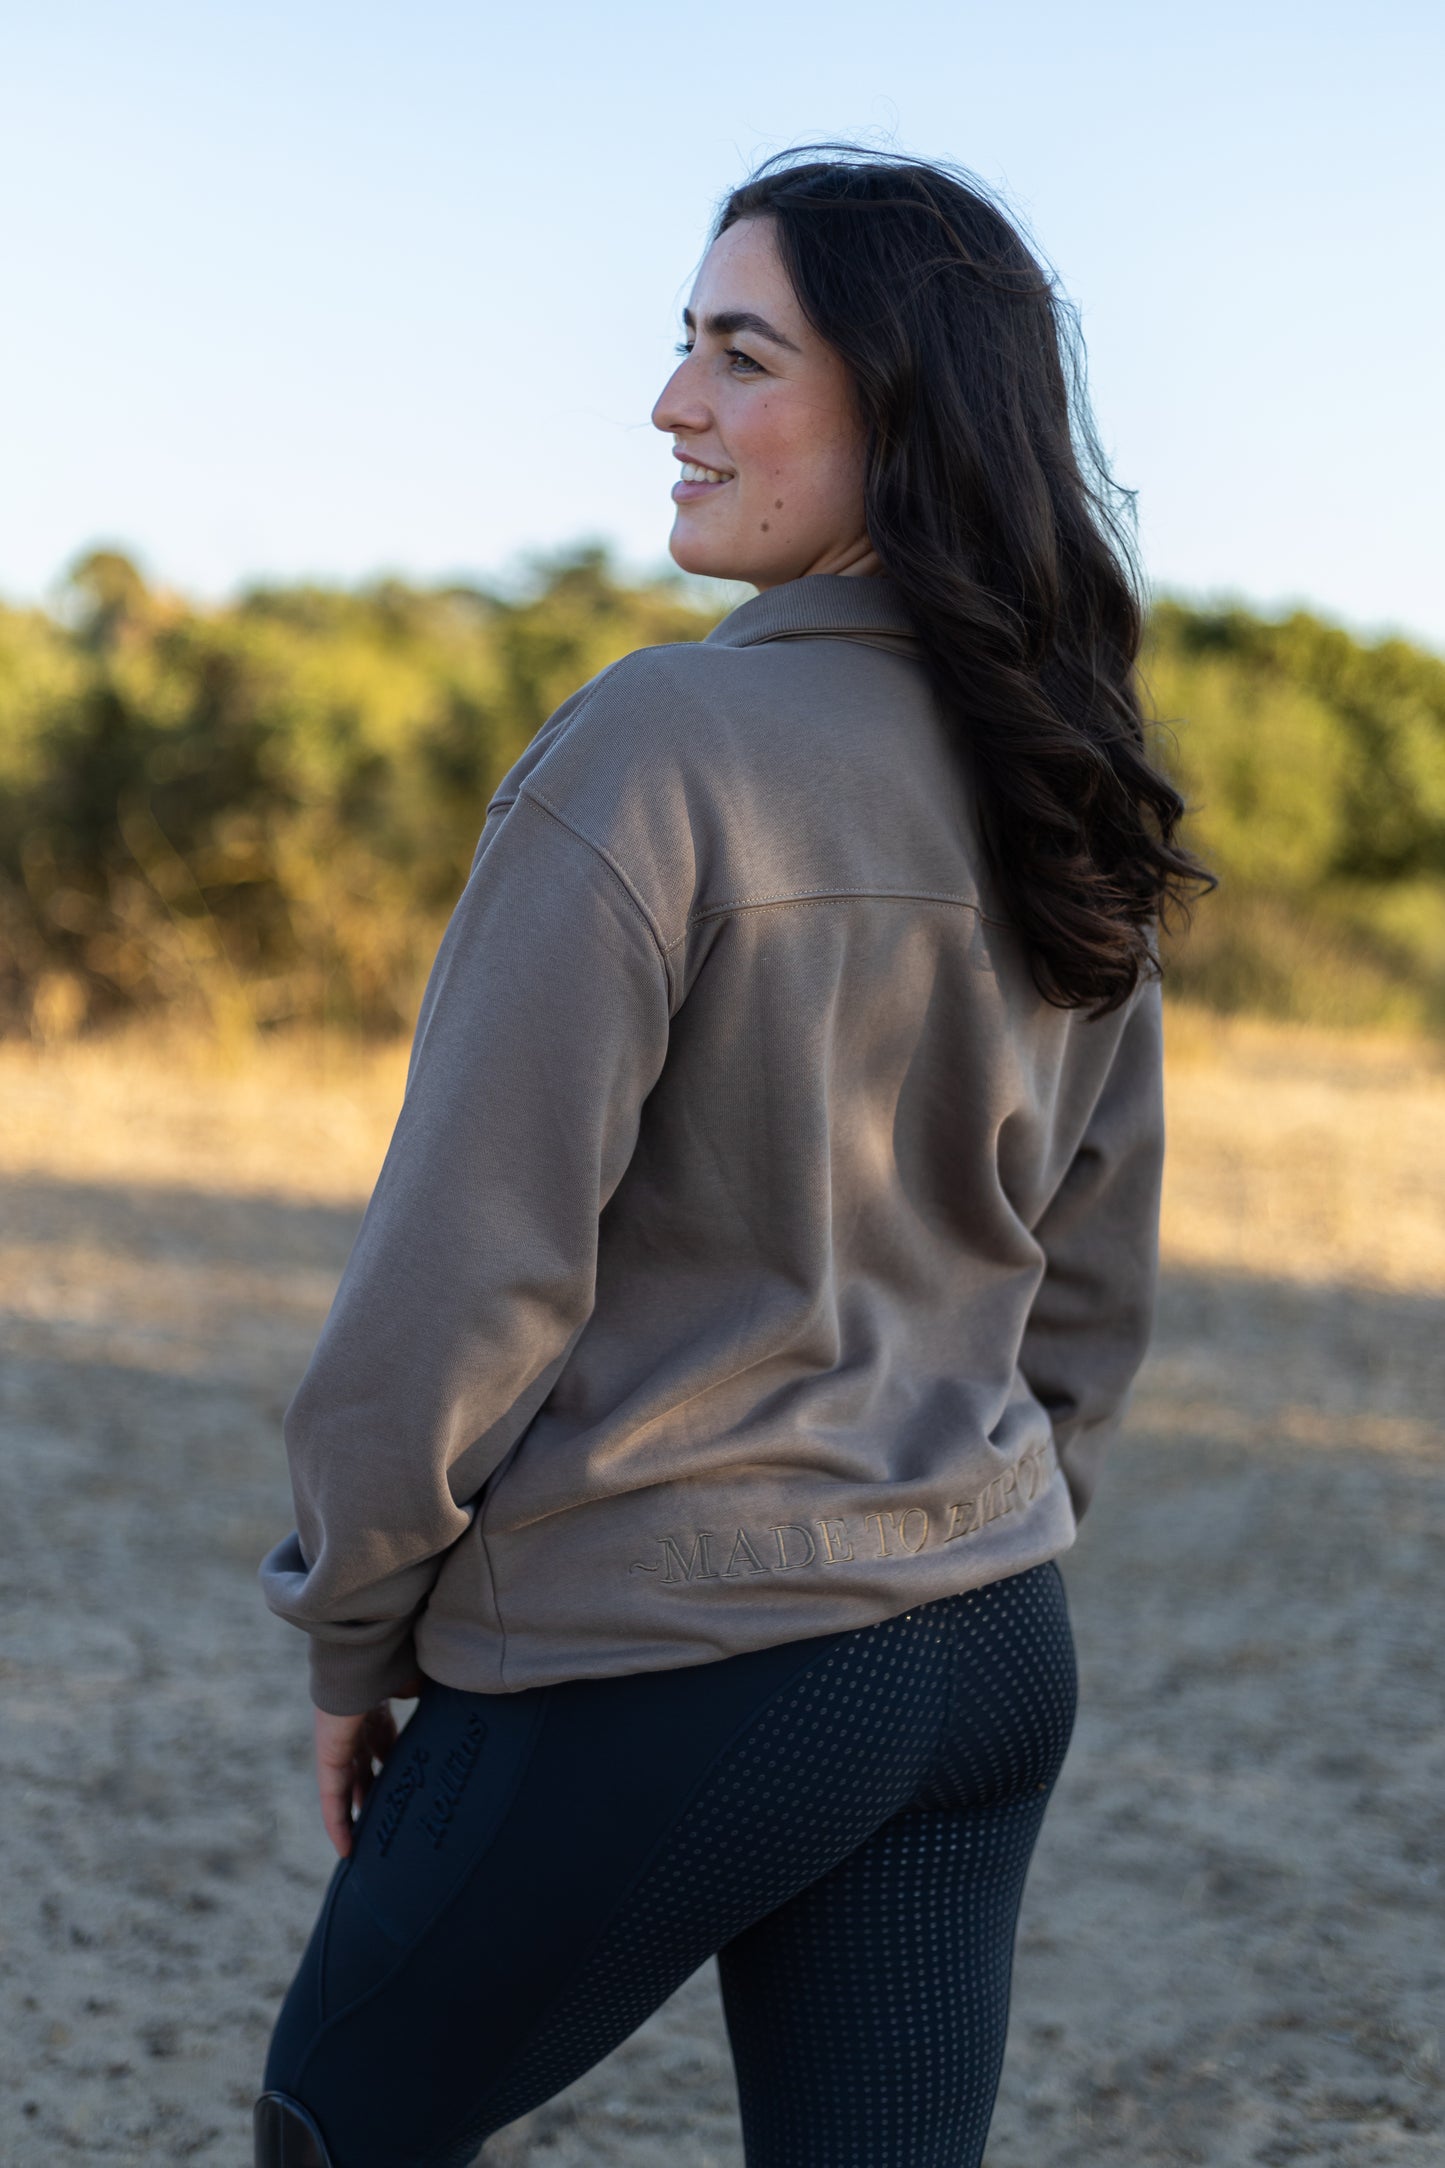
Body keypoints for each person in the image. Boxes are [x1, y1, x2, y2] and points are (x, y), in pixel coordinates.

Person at [253, 147, 1207, 2168]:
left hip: (689, 1659)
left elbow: (461, 1273)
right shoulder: (1063, 767)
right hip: (988, 1646)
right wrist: (972, 1514)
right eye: (683, 347)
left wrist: (357, 1625)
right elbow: (1093, 1264)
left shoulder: (652, 747)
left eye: (739, 354)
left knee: (342, 2124)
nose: (675, 403)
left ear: (905, 409)